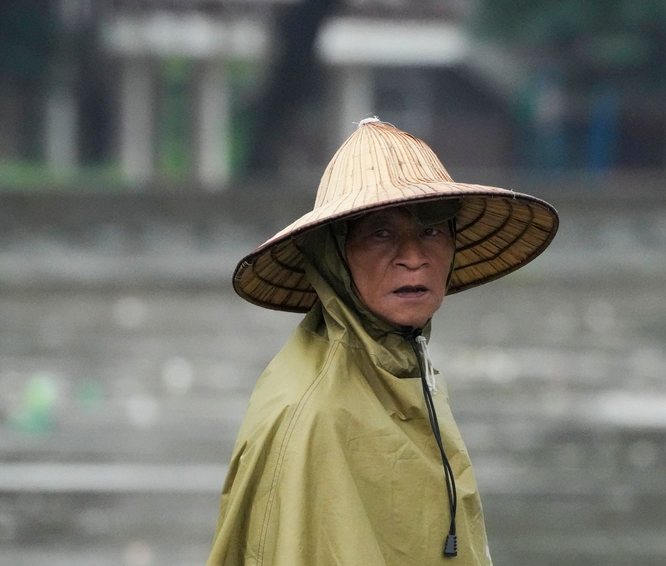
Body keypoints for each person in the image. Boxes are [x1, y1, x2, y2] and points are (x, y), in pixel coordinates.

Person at [206, 118, 558, 566]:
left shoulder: (405, 366)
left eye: (431, 231)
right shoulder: (316, 414)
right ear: (334, 255)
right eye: (381, 234)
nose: (413, 258)